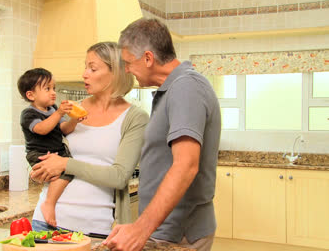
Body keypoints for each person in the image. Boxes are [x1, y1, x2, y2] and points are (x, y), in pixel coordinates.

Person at [103, 18, 221, 251]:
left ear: (148, 58)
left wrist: (140, 229)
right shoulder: (173, 89)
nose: (126, 69)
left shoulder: (186, 87)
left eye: (128, 62)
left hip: (179, 234)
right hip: (166, 231)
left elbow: (186, 165)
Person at [29, 42, 149, 235]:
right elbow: (46, 152)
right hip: (45, 223)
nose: (84, 74)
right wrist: (38, 170)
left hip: (94, 228)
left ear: (116, 72)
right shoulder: (69, 109)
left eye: (92, 68)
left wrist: (65, 164)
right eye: (85, 67)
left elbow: (119, 177)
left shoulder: (135, 118)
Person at [18, 67, 85, 227]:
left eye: (53, 88)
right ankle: (49, 203)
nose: (53, 92)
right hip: (38, 154)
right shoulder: (28, 114)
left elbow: (65, 130)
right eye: (47, 88)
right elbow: (42, 129)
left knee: (69, 170)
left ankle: (49, 200)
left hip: (58, 153)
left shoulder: (52, 109)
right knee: (64, 174)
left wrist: (74, 120)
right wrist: (60, 113)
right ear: (31, 95)